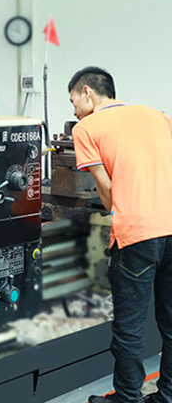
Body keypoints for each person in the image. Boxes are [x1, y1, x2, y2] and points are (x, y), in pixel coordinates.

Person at [68, 67, 172, 403]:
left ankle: (128, 398)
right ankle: (167, 395)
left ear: (87, 92)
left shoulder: (86, 128)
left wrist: (117, 212)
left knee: (129, 327)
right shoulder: (158, 116)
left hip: (136, 235)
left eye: (73, 101)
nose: (74, 111)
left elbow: (107, 187)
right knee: (171, 323)